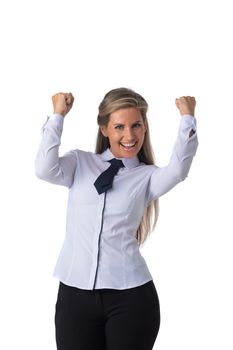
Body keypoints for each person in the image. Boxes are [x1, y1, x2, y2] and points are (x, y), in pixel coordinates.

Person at [35, 87, 198, 350]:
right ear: (104, 129)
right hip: (75, 295)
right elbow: (44, 169)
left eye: (136, 125)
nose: (129, 135)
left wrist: (187, 119)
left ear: (145, 128)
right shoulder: (79, 163)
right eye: (119, 127)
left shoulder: (148, 177)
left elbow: (179, 169)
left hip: (132, 298)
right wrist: (57, 116)